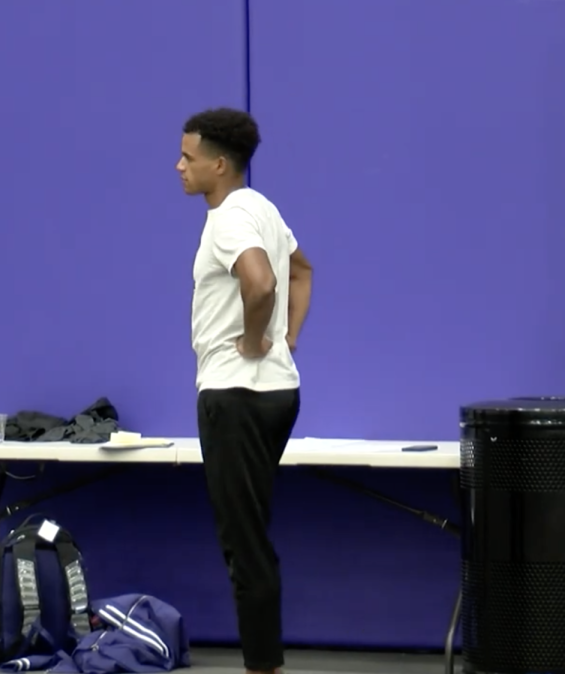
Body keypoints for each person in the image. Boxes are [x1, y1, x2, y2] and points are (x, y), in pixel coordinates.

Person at [176, 108, 314, 674]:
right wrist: (289, 340)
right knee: (251, 534)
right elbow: (301, 271)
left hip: (235, 395)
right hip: (277, 394)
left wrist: (259, 339)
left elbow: (263, 282)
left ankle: (264, 668)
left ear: (220, 163)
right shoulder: (263, 210)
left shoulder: (230, 218)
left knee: (245, 545)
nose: (179, 165)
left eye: (188, 156)